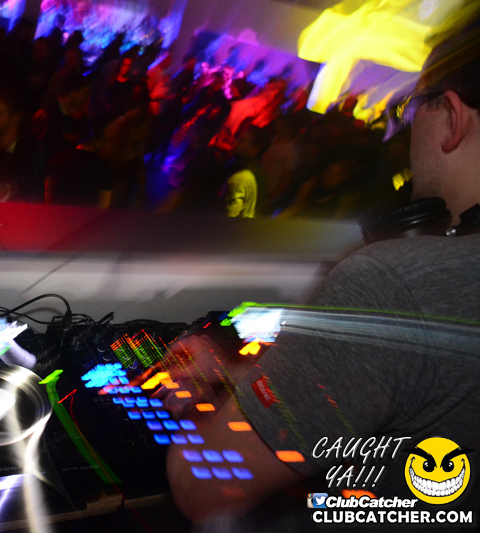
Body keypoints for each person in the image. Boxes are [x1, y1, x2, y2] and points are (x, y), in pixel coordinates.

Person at [161, 17, 480, 531]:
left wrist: (199, 393)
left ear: (454, 118)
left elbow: (203, 483)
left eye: (413, 106)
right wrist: (248, 380)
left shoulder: (392, 283)